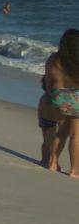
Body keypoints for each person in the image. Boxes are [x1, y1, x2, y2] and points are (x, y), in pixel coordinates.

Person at [41, 29, 79, 177]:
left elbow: (49, 82)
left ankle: (53, 163)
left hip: (59, 96)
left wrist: (52, 96)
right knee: (76, 136)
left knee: (61, 132)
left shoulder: (53, 59)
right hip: (76, 97)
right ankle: (75, 170)